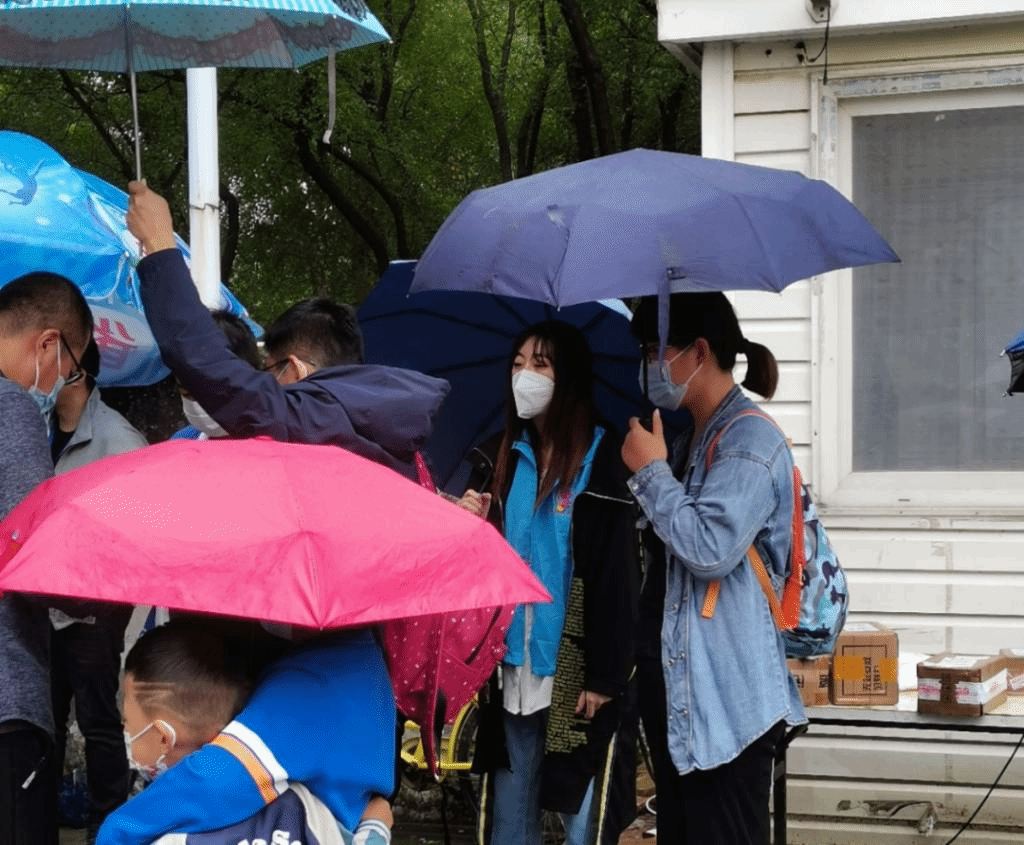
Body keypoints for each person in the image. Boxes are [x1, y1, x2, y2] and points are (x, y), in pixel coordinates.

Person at [621, 292, 807, 845]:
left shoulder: (749, 441)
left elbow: (710, 550)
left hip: (727, 704)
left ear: (699, 351)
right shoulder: (687, 441)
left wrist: (652, 475)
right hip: (683, 696)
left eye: (655, 351)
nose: (648, 366)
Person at [125, 181, 448, 477]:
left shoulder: (317, 422)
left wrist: (160, 245)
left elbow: (208, 365)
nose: (264, 386)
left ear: (294, 369)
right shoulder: (403, 452)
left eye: (267, 374)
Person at [459, 321, 639, 845]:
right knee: (510, 822)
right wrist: (469, 524)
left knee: (583, 820)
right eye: (517, 365)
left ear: (570, 378)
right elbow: (477, 568)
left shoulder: (605, 463)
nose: (525, 377)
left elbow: (619, 576)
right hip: (510, 666)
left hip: (577, 674)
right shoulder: (497, 459)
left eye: (540, 364)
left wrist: (605, 676)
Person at [98, 618, 396, 845]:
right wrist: (375, 830)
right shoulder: (358, 656)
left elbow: (219, 779)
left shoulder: (311, 682)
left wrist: (117, 831)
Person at [0, 271, 93, 845]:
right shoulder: (10, 408)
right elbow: (35, 555)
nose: (61, 383)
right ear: (48, 343)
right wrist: (98, 597)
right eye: (70, 368)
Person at [49, 337, 149, 841]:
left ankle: (105, 824)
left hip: (93, 609)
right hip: (39, 601)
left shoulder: (120, 441)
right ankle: (36, 813)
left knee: (98, 719)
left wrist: (92, 594)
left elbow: (135, 537)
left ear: (76, 371)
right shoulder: (36, 427)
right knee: (41, 718)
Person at [172, 310, 263, 440]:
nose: (200, 401)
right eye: (187, 390)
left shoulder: (284, 440)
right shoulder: (182, 440)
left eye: (211, 388)